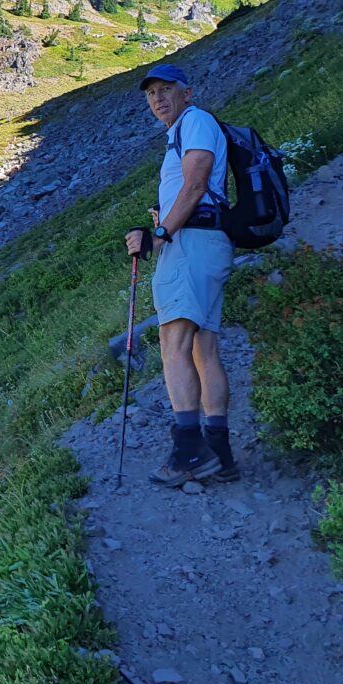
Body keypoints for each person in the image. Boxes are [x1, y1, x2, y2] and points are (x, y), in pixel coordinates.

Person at [123, 63, 239, 486]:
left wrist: (158, 235)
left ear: (187, 92)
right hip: (204, 241)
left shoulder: (197, 122)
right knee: (202, 350)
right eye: (151, 93)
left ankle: (189, 450)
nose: (157, 98)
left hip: (190, 244)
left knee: (173, 340)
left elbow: (195, 185)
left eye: (166, 89)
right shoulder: (186, 129)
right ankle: (220, 453)